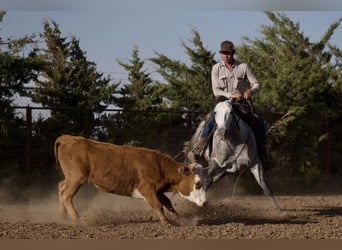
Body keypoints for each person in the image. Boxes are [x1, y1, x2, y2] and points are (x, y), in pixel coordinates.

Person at [187, 40, 273, 170]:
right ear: (221, 53)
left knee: (258, 121)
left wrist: (250, 91)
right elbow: (216, 90)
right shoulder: (215, 68)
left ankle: (263, 154)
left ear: (233, 53)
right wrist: (230, 95)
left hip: (239, 103)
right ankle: (199, 148)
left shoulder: (243, 67)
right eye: (224, 53)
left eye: (229, 53)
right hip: (222, 101)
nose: (226, 55)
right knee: (211, 120)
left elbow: (257, 84)